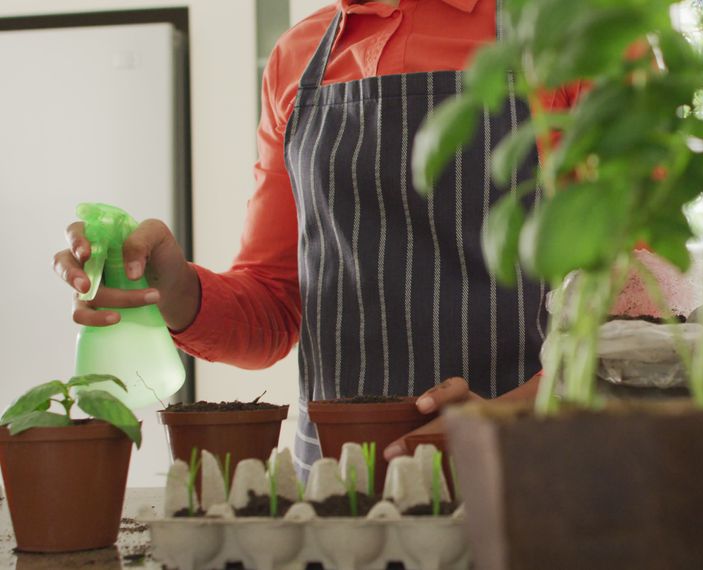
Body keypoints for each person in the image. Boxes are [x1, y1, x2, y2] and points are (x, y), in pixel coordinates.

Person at [52, 0, 582, 477]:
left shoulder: (573, 33)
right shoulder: (297, 58)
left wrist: (518, 410)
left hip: (525, 471)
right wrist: (173, 288)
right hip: (335, 486)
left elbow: (648, 302)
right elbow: (274, 302)